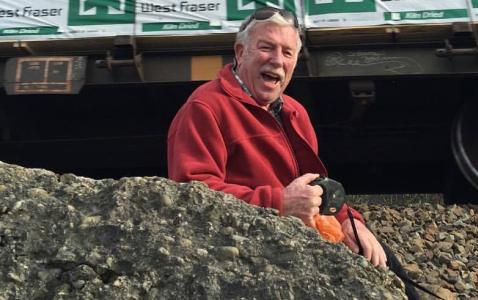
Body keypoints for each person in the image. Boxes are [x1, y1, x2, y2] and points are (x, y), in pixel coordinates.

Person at [167, 7, 420, 299]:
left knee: (390, 272)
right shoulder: (205, 108)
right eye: (266, 47)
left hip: (303, 232)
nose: (277, 60)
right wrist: (279, 203)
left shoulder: (294, 110)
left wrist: (351, 222)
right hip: (248, 247)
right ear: (240, 52)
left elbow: (315, 188)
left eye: (287, 53)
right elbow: (189, 197)